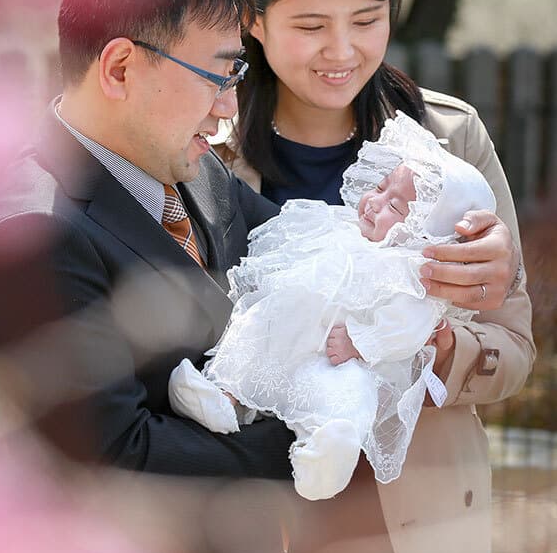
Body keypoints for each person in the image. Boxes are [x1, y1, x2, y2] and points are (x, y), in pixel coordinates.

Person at [0, 0, 522, 553]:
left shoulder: (187, 171)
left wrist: (443, 244)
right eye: (218, 75)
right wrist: (313, 425)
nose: (231, 107)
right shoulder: (33, 233)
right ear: (122, 66)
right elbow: (117, 461)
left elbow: (316, 244)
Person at [212, 0, 534, 553]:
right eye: (311, 26)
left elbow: (515, 350)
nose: (342, 52)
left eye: (367, 19)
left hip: (409, 536)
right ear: (254, 19)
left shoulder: (450, 143)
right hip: (251, 530)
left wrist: (436, 344)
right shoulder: (203, 153)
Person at [170, 113, 498, 502]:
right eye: (380, 188)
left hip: (337, 357)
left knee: (348, 391)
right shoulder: (338, 226)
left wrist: (360, 341)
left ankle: (331, 447)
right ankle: (220, 394)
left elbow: (407, 326)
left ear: (425, 233)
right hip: (289, 330)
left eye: (395, 206)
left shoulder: (412, 276)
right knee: (253, 332)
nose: (374, 203)